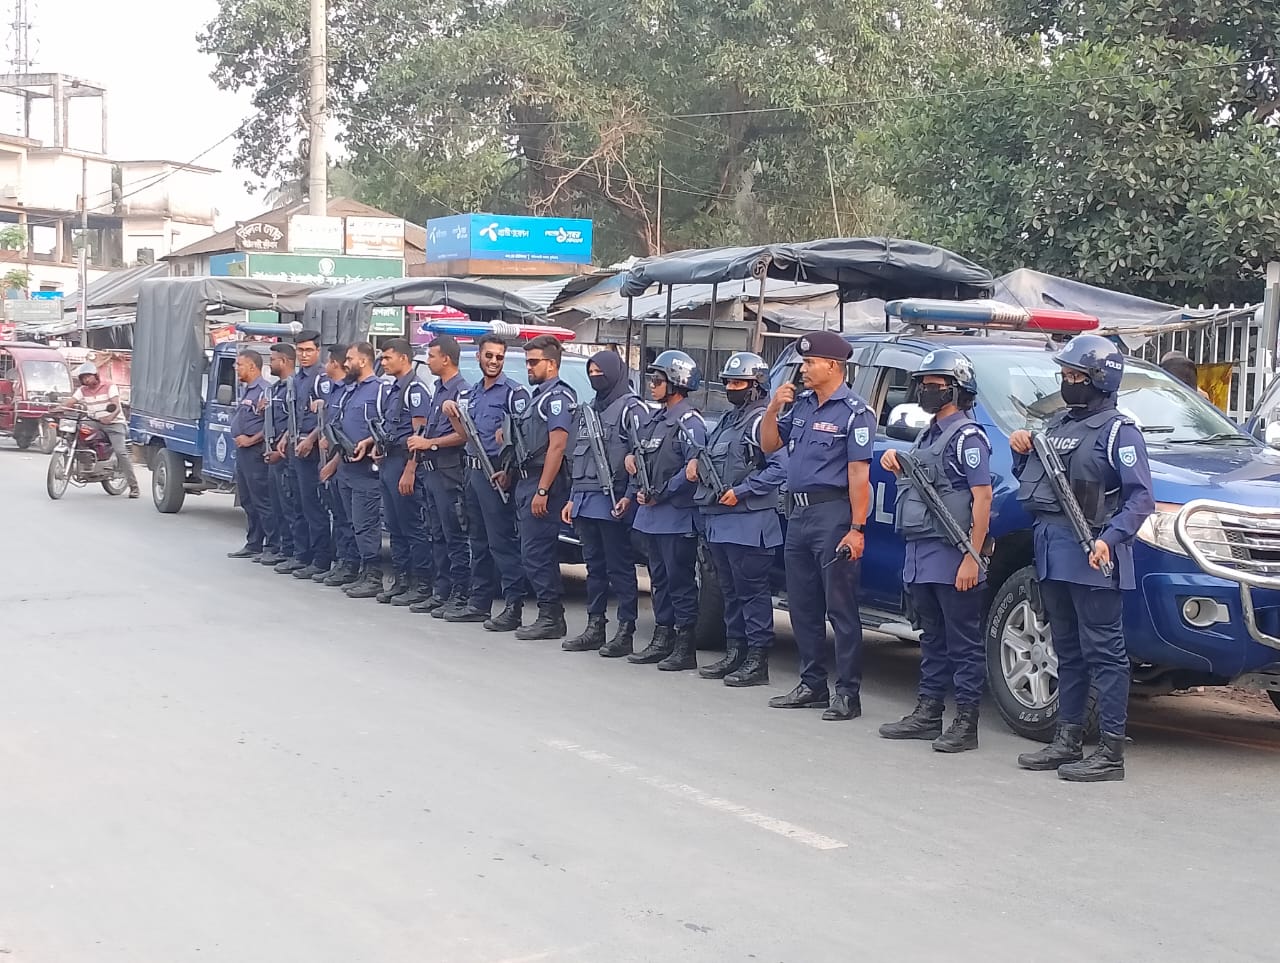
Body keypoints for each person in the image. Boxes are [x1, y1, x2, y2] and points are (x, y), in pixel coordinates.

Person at [1012, 334, 1154, 781]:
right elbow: (1035, 484)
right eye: (1065, 375)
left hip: (1093, 554)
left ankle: (1110, 752)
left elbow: (1140, 499)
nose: (1067, 382)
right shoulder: (1057, 426)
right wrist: (1020, 451)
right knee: (1067, 650)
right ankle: (1067, 738)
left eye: (1075, 375)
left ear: (1099, 378)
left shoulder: (1119, 431)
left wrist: (1110, 539)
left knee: (1105, 654)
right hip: (1053, 552)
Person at [878, 350, 993, 751]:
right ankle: (929, 713)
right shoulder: (928, 434)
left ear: (957, 390)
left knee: (963, 642)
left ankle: (966, 722)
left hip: (952, 554)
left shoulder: (968, 437)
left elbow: (983, 498)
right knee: (931, 639)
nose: (927, 390)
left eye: (936, 385)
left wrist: (972, 558)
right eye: (924, 384)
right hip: (922, 554)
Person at [760, 331, 874, 721]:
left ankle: (848, 693)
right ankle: (812, 684)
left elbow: (859, 475)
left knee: (840, 608)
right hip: (799, 514)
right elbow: (769, 445)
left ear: (833, 366)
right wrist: (773, 408)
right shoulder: (802, 406)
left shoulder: (855, 413)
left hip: (833, 515)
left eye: (810, 363)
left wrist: (857, 528)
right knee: (802, 604)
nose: (804, 369)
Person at [691, 352, 787, 687]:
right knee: (729, 592)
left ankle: (757, 660)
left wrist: (744, 491)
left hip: (750, 522)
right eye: (729, 382)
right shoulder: (728, 420)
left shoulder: (762, 422)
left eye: (739, 383)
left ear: (757, 385)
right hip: (721, 521)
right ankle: (736, 652)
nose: (732, 388)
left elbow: (780, 468)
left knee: (752, 593)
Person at [441, 334, 530, 631]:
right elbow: (465, 435)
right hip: (472, 473)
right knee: (477, 542)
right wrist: (452, 413)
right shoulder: (471, 393)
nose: (494, 361)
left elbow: (522, 440)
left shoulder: (513, 394)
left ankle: (513, 606)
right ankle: (479, 604)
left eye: (499, 357)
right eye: (489, 355)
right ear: (478, 356)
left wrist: (508, 471)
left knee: (500, 543)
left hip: (497, 474)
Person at [625, 349, 708, 671]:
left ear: (676, 382)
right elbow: (644, 457)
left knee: (679, 581)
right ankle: (662, 637)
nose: (652, 384)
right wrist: (632, 464)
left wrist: (662, 493)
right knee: (658, 580)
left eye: (658, 379)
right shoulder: (656, 419)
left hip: (676, 516)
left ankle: (684, 645)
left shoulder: (689, 422)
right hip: (652, 517)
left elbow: (693, 469)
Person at [561, 349, 647, 655]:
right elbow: (577, 458)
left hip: (613, 503)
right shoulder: (588, 411)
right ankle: (594, 626)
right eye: (591, 372)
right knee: (594, 569)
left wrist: (629, 496)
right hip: (585, 503)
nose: (595, 377)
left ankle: (625, 631)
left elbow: (640, 458)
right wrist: (572, 499)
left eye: (600, 372)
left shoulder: (631, 409)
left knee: (619, 568)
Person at [501, 333, 577, 640]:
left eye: (534, 362)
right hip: (526, 479)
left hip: (543, 483)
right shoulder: (538, 397)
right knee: (530, 552)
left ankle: (551, 617)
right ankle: (548, 615)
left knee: (537, 552)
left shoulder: (557, 398)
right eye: (527, 362)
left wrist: (543, 490)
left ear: (552, 364)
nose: (528, 367)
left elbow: (557, 446)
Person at [410, 335, 473, 619]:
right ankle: (442, 591)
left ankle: (460, 594)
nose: (429, 361)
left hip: (450, 473)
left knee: (454, 535)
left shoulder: (461, 391)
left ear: (446, 359)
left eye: (432, 356)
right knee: (437, 534)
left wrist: (430, 443)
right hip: (432, 472)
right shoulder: (438, 389)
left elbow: (464, 435)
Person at [372, 338, 436, 606]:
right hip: (389, 461)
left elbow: (420, 432)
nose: (383, 362)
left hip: (405, 462)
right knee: (394, 525)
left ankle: (421, 584)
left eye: (388, 358)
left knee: (412, 526)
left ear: (403, 358)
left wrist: (410, 469)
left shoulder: (415, 389)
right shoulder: (394, 388)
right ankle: (401, 580)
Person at [336, 342, 388, 599]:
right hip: (346, 467)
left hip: (367, 469)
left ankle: (373, 576)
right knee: (353, 522)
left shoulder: (379, 390)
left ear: (364, 361)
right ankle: (359, 570)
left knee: (366, 524)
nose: (345, 363)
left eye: (349, 359)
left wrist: (370, 443)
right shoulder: (351, 390)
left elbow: (387, 426)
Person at [287, 330, 335, 580]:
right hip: (296, 446)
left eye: (309, 350)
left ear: (318, 351)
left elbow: (326, 416)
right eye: (300, 350)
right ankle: (302, 555)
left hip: (313, 449)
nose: (304, 355)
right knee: (299, 504)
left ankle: (321, 559)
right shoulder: (297, 378)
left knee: (314, 506)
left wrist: (310, 439)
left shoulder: (322, 378)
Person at [316, 344, 361, 587]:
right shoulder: (336, 390)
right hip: (334, 462)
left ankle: (351, 565)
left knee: (349, 519)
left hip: (342, 462)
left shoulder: (348, 390)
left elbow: (345, 435)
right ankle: (342, 562)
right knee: (340, 517)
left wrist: (333, 464)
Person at [70, 360, 139, 498]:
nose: (86, 380)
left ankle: (134, 486)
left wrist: (110, 417)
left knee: (120, 452)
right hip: (94, 421)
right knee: (77, 432)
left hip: (114, 423)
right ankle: (87, 463)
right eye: (83, 378)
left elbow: (116, 406)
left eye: (88, 376)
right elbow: (71, 401)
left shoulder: (109, 386)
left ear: (95, 375)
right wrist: (58, 407)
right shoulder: (83, 390)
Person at [226, 349, 272, 558]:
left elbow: (270, 425)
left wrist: (251, 440)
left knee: (262, 500)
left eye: (239, 364)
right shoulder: (247, 390)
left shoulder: (264, 391)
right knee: (247, 500)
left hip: (255, 452)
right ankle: (254, 543)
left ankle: (272, 546)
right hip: (243, 453)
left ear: (252, 367)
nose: (235, 368)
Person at [262, 342, 301, 569]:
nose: (270, 364)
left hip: (285, 457)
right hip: (273, 454)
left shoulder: (292, 388)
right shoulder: (275, 389)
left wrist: (280, 450)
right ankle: (283, 549)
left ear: (285, 361)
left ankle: (293, 551)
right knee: (277, 506)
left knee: (290, 507)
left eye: (273, 360)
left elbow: (292, 423)